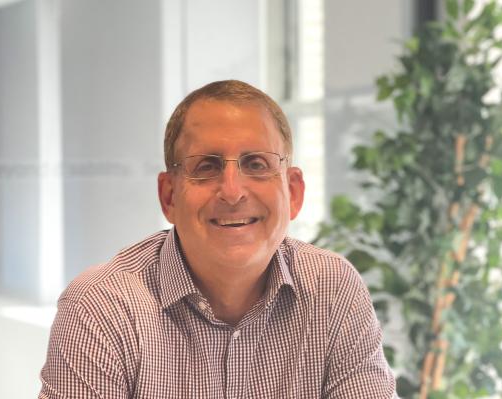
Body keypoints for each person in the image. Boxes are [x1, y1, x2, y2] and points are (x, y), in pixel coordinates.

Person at [39, 80, 398, 398]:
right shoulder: (101, 308)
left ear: (293, 192)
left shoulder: (333, 290)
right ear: (169, 197)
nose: (232, 191)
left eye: (256, 164)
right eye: (206, 166)